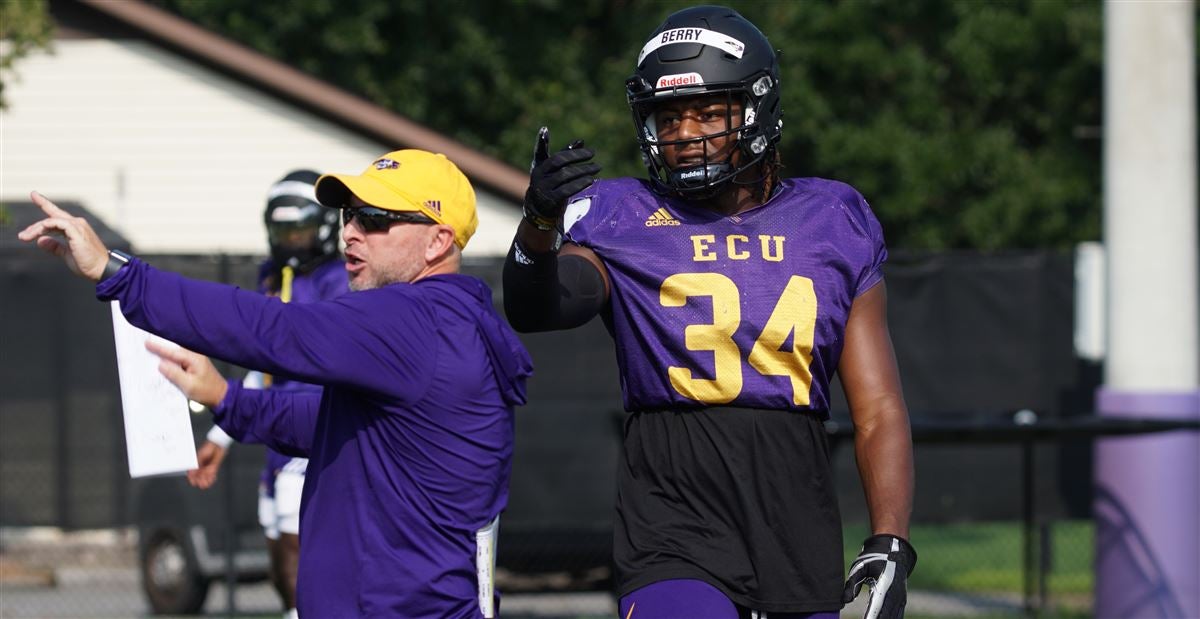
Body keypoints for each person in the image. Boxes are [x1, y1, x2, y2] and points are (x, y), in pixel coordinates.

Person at [503, 6, 915, 619]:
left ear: (756, 109)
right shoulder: (621, 213)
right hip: (672, 507)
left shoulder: (834, 218)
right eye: (669, 117)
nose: (685, 132)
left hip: (794, 513)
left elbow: (878, 407)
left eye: (708, 112)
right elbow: (539, 306)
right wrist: (538, 224)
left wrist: (890, 543)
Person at [19, 149, 533, 618]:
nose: (351, 232)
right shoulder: (442, 323)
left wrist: (118, 274)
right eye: (348, 215)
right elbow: (334, 425)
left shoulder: (414, 319)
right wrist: (225, 398)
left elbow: (274, 329)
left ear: (438, 240)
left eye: (374, 219)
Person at [186, 169, 346, 619]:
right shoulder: (271, 276)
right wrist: (220, 439)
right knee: (279, 565)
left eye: (302, 229)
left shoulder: (339, 280)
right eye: (284, 231)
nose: (293, 241)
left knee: (302, 555)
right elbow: (264, 365)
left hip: (315, 427)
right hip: (275, 433)